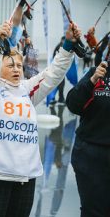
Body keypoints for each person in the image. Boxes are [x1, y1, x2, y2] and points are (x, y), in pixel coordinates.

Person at [0, 21, 81, 217]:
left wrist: (68, 45)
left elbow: (52, 74)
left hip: (25, 176)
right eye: (10, 64)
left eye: (19, 65)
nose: (16, 69)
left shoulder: (26, 90)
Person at [67, 58, 110, 216]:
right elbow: (72, 104)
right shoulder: (96, 73)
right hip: (90, 155)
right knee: (93, 210)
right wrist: (92, 81)